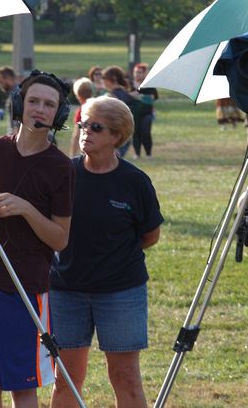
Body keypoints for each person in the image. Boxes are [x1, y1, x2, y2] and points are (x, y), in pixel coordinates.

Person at [0, 70, 76, 408]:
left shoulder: (61, 168)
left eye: (49, 104)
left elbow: (60, 239)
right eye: (33, 101)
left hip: (23, 288)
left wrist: (26, 209)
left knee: (22, 388)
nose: (40, 109)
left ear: (60, 114)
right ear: (19, 104)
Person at [49, 95, 164, 408]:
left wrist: (113, 258)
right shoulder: (65, 174)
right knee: (66, 380)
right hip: (66, 290)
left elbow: (150, 234)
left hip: (120, 291)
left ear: (117, 136)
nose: (85, 131)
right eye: (82, 124)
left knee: (125, 376)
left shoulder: (135, 182)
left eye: (96, 126)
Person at [101, 65, 136, 158]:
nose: (102, 81)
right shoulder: (126, 94)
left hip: (112, 135)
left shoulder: (110, 96)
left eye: (104, 78)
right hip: (125, 134)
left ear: (113, 78)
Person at [130, 63, 158, 159]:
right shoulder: (130, 84)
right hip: (133, 113)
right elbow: (127, 96)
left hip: (147, 113)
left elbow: (153, 98)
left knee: (145, 132)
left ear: (145, 74)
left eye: (140, 72)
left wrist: (137, 95)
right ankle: (137, 154)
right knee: (135, 133)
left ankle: (148, 154)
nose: (137, 74)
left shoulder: (150, 85)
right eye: (135, 72)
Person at [69, 77, 93, 158]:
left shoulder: (81, 111)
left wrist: (73, 155)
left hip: (86, 148)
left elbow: (76, 135)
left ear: (78, 95)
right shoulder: (98, 107)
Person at [0, 66, 20, 135]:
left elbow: (18, 119)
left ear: (8, 78)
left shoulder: (17, 93)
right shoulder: (14, 92)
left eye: (1, 82)